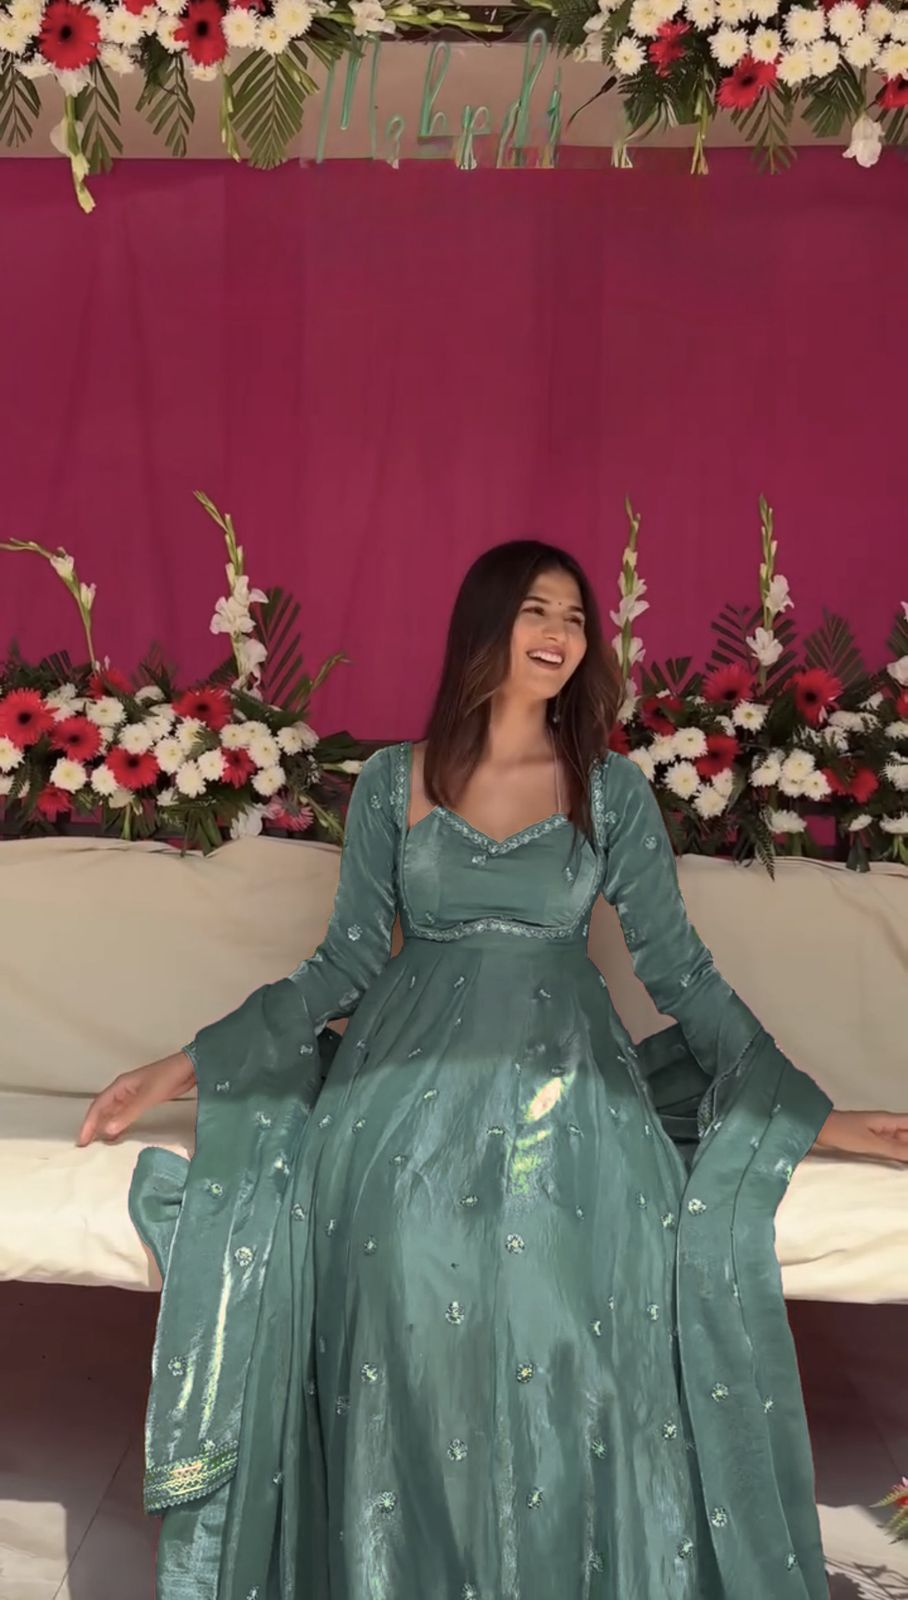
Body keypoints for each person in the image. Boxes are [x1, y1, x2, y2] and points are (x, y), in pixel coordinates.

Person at [80, 540, 908, 1600]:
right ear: (485, 624)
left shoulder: (609, 791)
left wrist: (813, 1114)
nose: (560, 633)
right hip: (398, 1084)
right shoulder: (392, 782)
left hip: (573, 1082)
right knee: (397, 1257)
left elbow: (680, 972)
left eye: (575, 617)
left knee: (569, 1265)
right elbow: (342, 960)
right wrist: (184, 1064)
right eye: (536, 610)